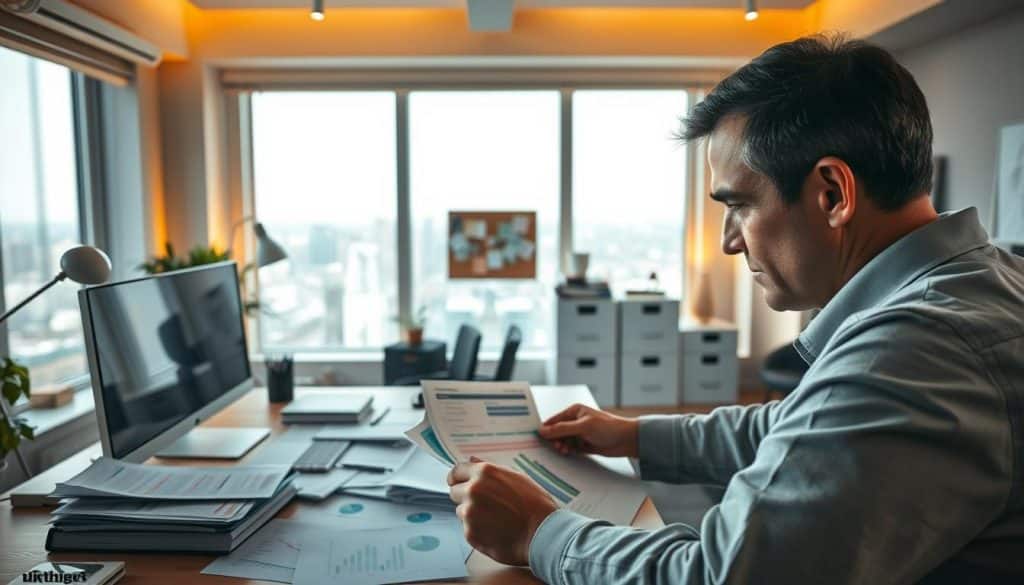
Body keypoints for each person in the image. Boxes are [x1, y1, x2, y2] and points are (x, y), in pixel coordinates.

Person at [447, 34, 1024, 584]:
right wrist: (634, 436)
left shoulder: (914, 348)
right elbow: (808, 425)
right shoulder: (982, 279)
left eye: (740, 205)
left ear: (832, 195)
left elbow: (722, 575)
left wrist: (538, 531)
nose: (729, 241)